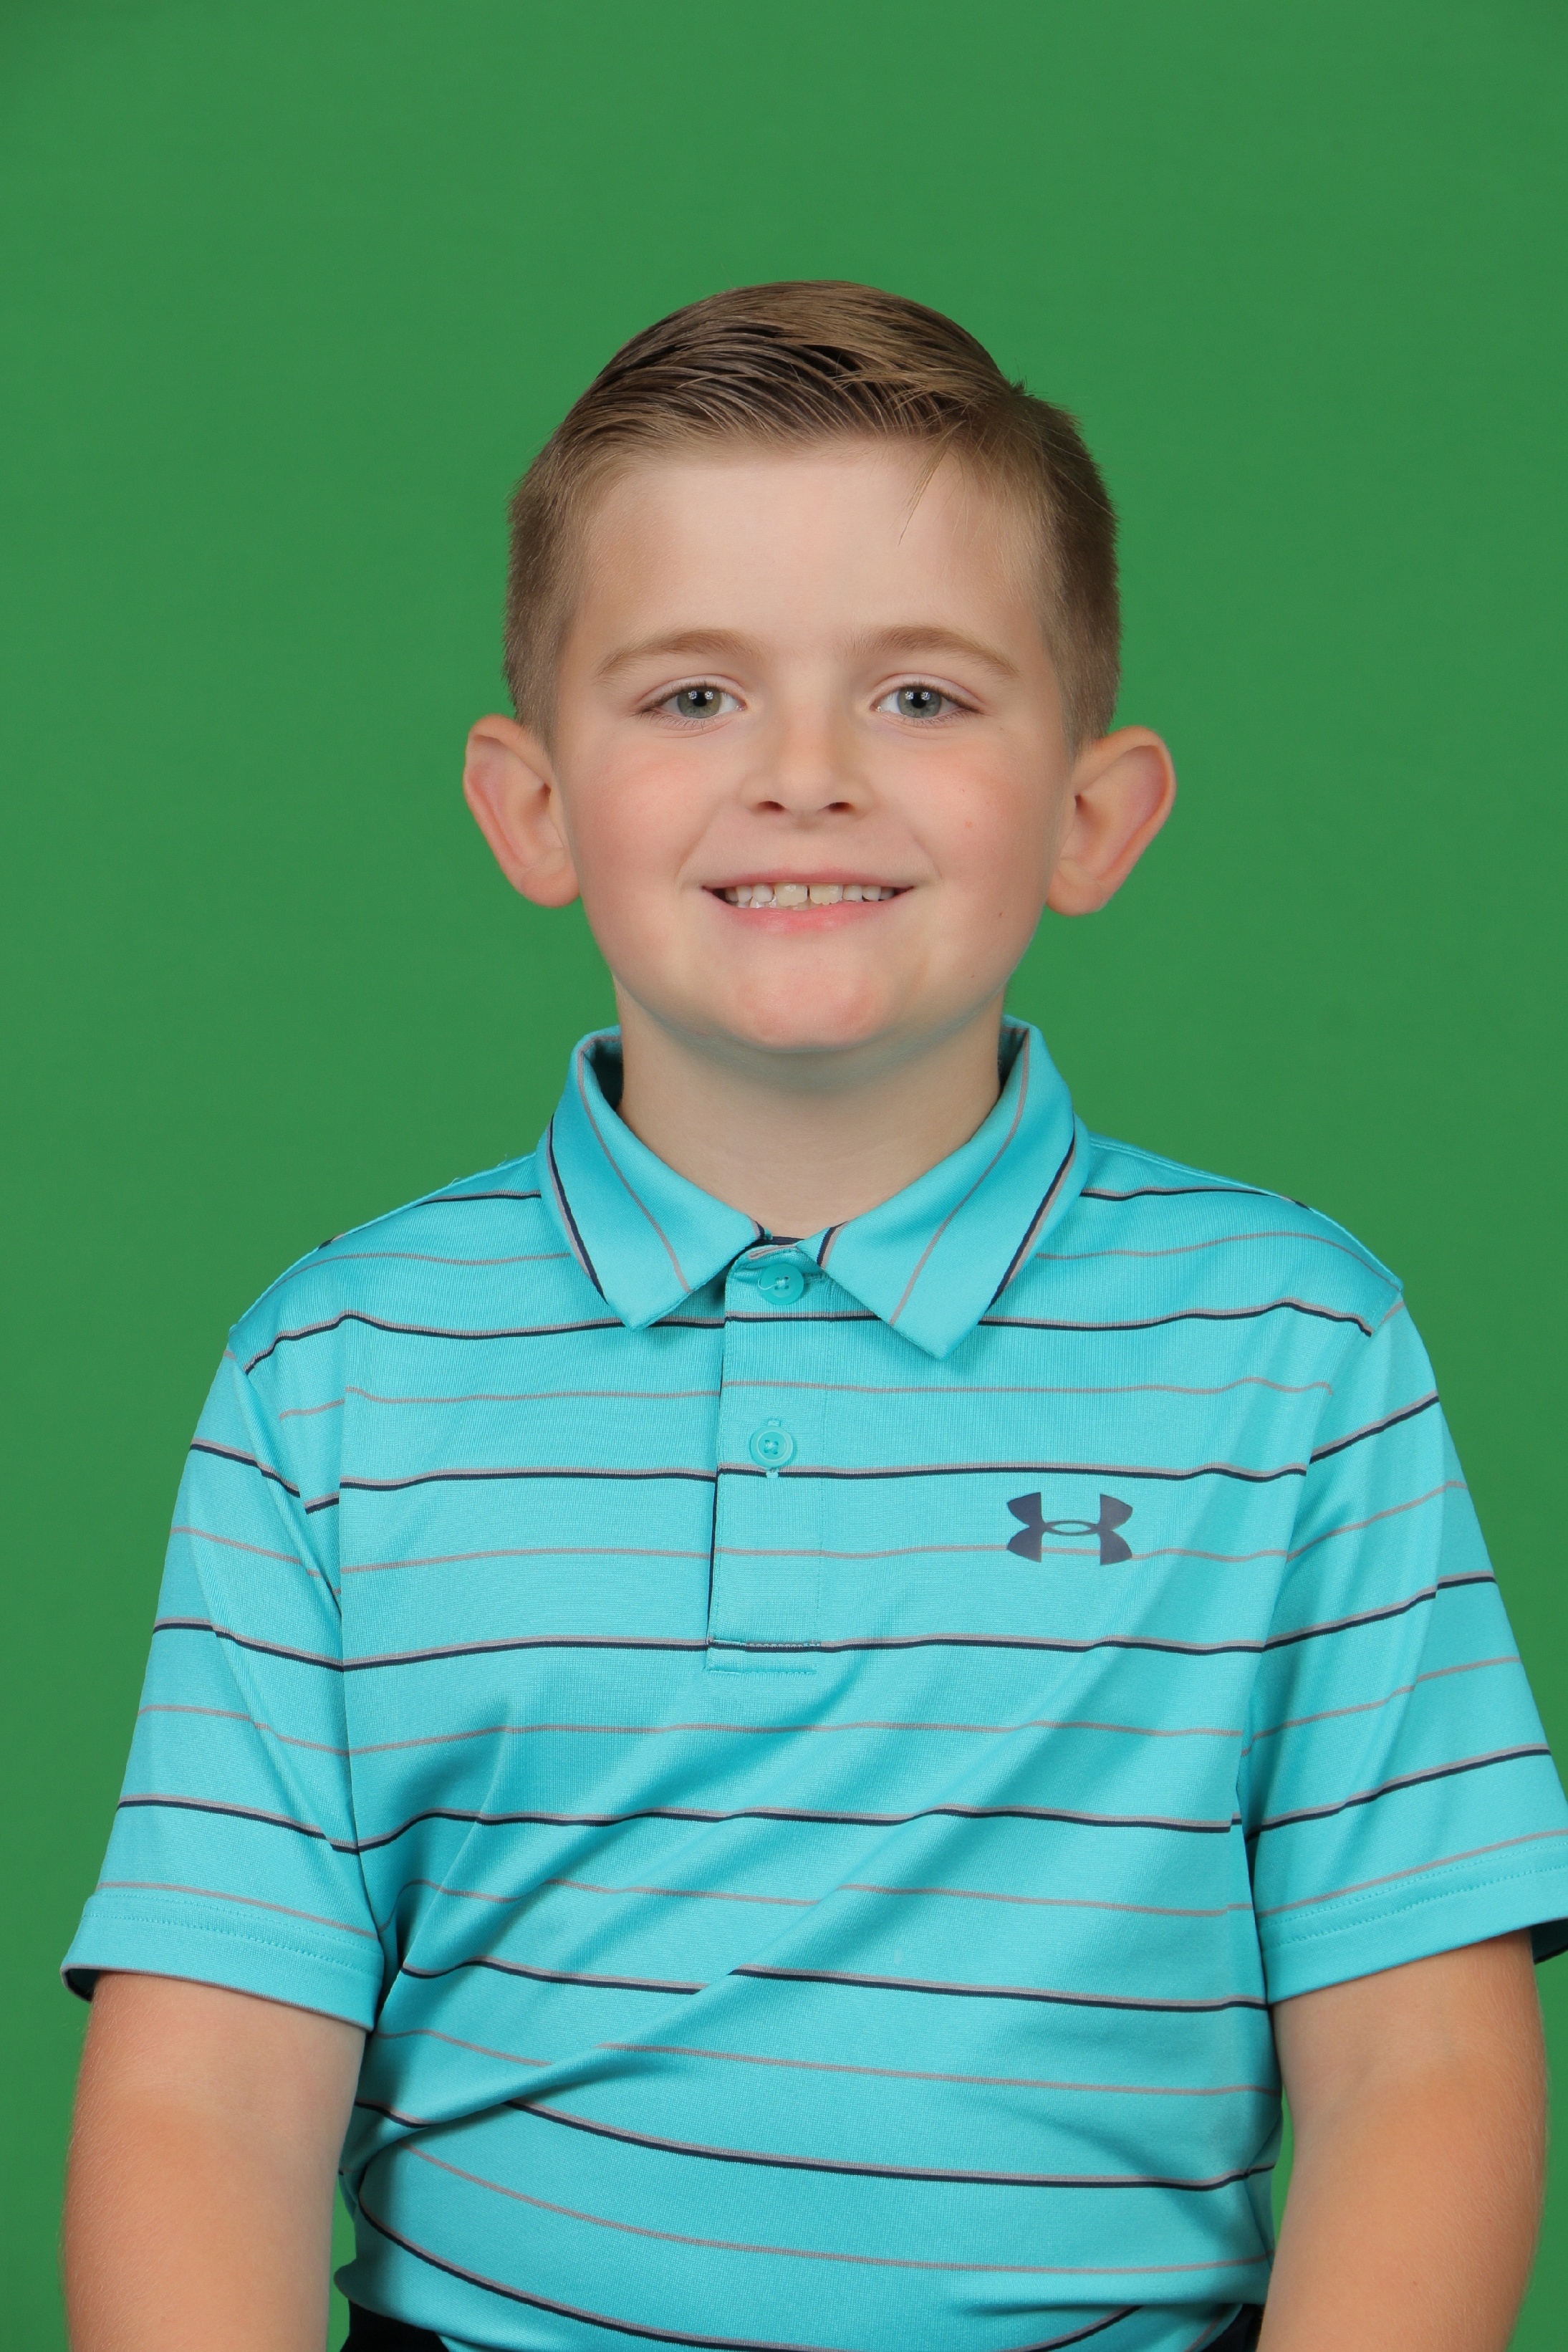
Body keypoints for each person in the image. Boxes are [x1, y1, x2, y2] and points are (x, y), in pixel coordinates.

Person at [62, 282, 1567, 2352]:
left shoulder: (1297, 1355)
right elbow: (208, 2091)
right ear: (532, 805)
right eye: (694, 694)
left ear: (1094, 812)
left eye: (921, 696)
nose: (806, 777)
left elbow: (1422, 2062)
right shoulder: (335, 1379)